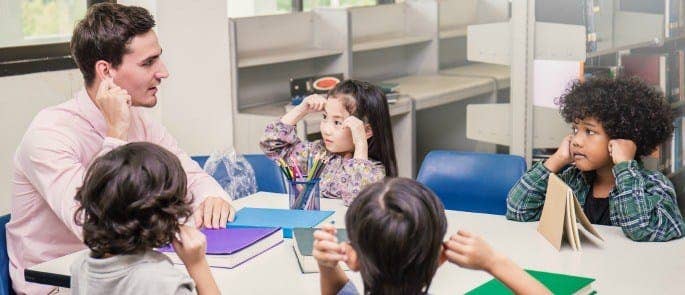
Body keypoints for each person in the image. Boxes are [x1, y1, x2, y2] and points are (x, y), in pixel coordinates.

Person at [7, 4, 234, 293]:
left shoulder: (141, 121)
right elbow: (94, 227)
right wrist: (115, 133)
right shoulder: (49, 134)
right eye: (148, 63)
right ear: (106, 71)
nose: (162, 73)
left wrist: (211, 196)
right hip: (60, 285)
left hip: (128, 272)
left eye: (158, 59)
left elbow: (193, 178)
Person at [507, 77, 684, 242]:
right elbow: (518, 210)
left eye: (589, 132)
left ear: (621, 138)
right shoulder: (572, 180)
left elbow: (641, 230)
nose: (575, 140)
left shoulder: (654, 185)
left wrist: (624, 167)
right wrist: (557, 159)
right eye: (575, 129)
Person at [260, 80, 397, 205]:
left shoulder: (374, 171)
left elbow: (357, 201)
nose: (326, 129)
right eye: (325, 117)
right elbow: (272, 145)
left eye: (337, 122)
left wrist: (361, 143)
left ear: (366, 131)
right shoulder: (317, 153)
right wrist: (301, 110)